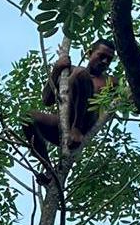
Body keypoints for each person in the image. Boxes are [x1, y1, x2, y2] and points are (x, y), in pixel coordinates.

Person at [23, 39, 116, 179]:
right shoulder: (69, 70)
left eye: (109, 59)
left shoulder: (111, 81)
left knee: (81, 75)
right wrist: (57, 69)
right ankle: (49, 169)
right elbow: (47, 100)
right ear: (90, 53)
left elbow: (130, 98)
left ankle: (76, 129)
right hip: (62, 121)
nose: (104, 61)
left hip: (84, 123)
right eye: (101, 56)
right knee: (27, 117)